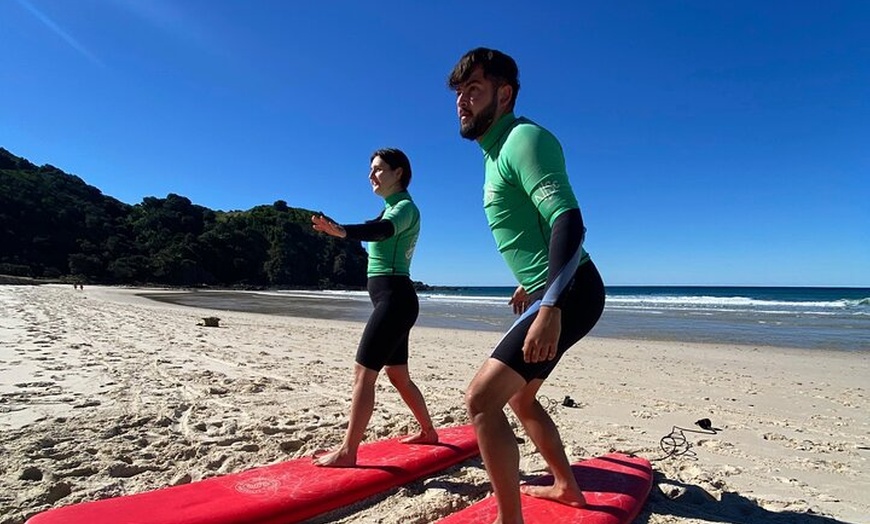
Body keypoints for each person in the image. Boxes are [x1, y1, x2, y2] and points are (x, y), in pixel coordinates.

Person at [447, 48, 606, 523]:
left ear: (505, 93)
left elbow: (568, 221)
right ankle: (566, 487)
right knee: (517, 396)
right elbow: (533, 233)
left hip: (572, 290)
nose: (462, 102)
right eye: (459, 93)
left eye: (473, 90)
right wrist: (532, 286)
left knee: (481, 399)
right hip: (557, 288)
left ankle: (509, 520)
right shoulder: (494, 152)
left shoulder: (522, 139)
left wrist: (551, 303)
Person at [310, 148, 438, 467]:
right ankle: (428, 432)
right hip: (395, 300)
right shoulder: (390, 208)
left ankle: (348, 451)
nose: (371, 176)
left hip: (395, 299)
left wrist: (344, 232)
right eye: (371, 170)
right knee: (398, 375)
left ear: (399, 173)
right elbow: (376, 224)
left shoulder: (405, 208)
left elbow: (381, 231)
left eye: (379, 169)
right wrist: (343, 228)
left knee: (363, 374)